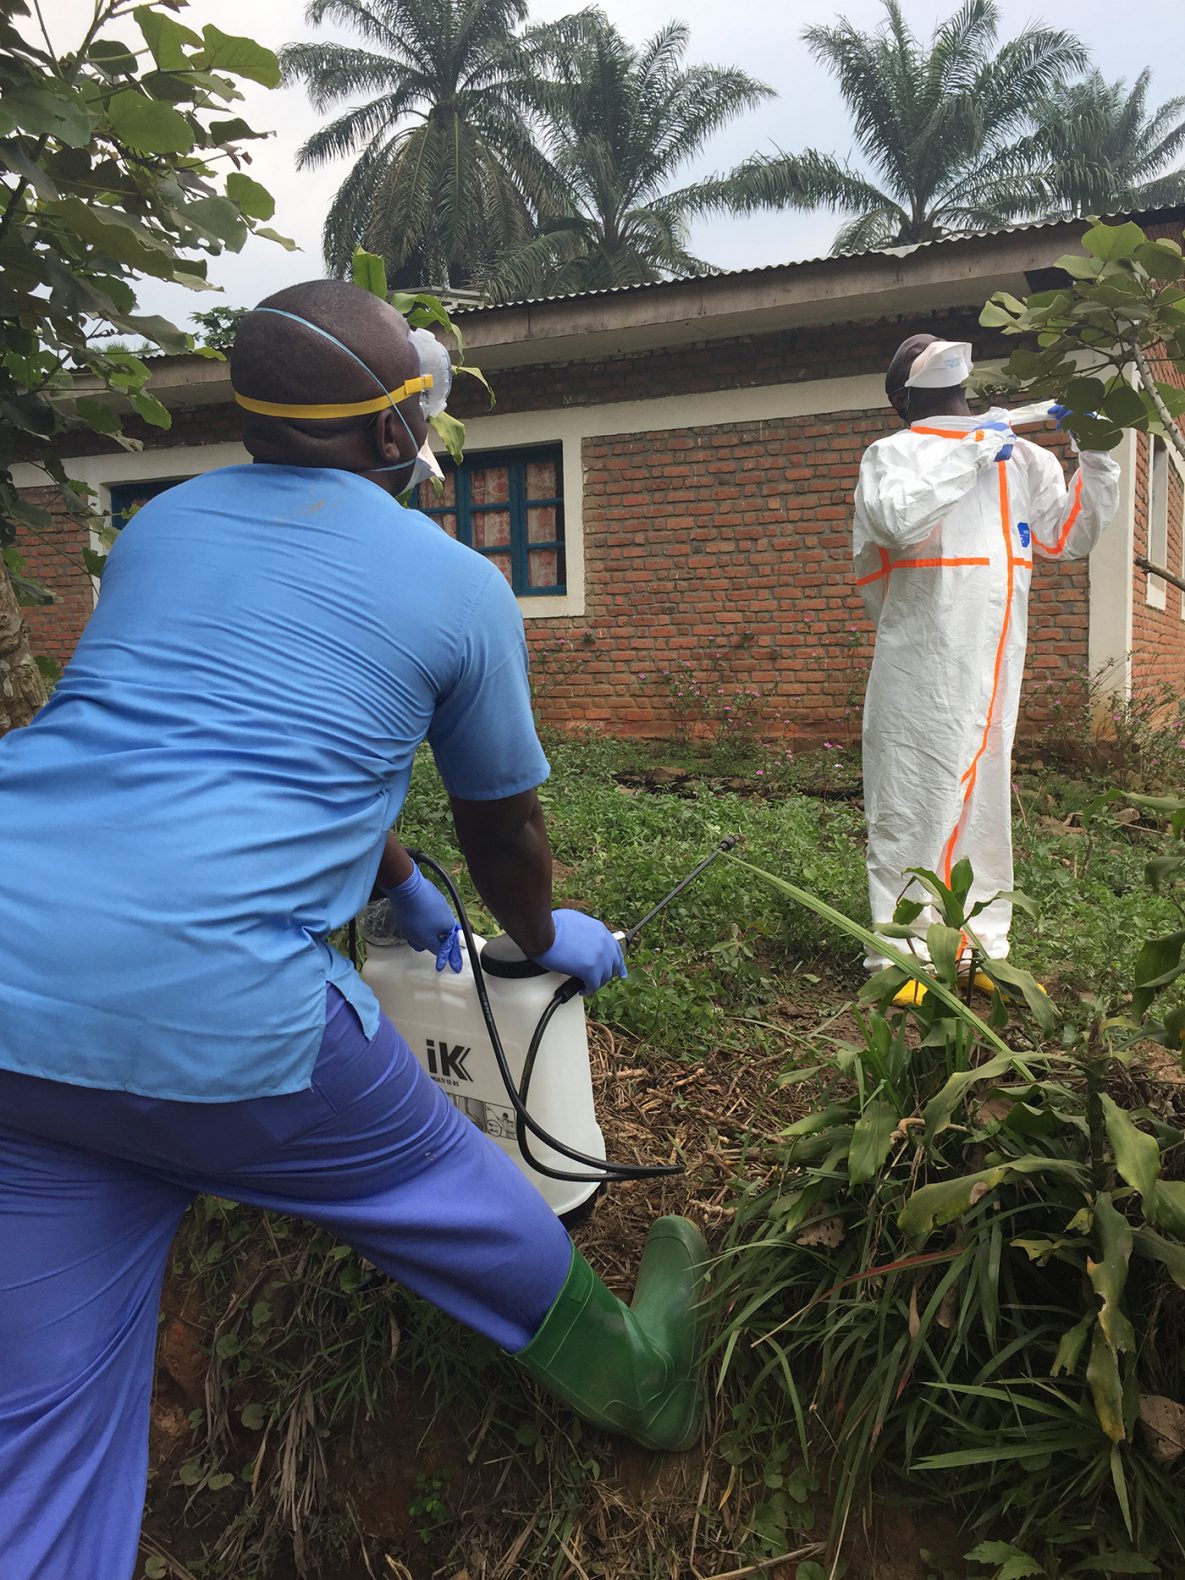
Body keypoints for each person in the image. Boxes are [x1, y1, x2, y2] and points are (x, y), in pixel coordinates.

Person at [0, 280, 707, 1580]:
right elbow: (506, 832)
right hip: (214, 999)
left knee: (36, 1431)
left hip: (11, 976)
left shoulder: (159, 529)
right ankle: (646, 1381)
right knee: (445, 1188)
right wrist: (540, 933)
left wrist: (391, 884)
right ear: (397, 437)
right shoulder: (455, 583)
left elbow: (217, 739)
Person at [853, 334, 1121, 993]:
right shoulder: (893, 454)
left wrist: (1096, 452)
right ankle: (900, 956)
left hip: (995, 663)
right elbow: (896, 520)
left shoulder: (1022, 456)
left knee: (981, 807)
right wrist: (971, 446)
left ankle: (975, 943)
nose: (926, 347)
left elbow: (1068, 535)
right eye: (911, 349)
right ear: (899, 397)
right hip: (921, 658)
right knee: (912, 800)